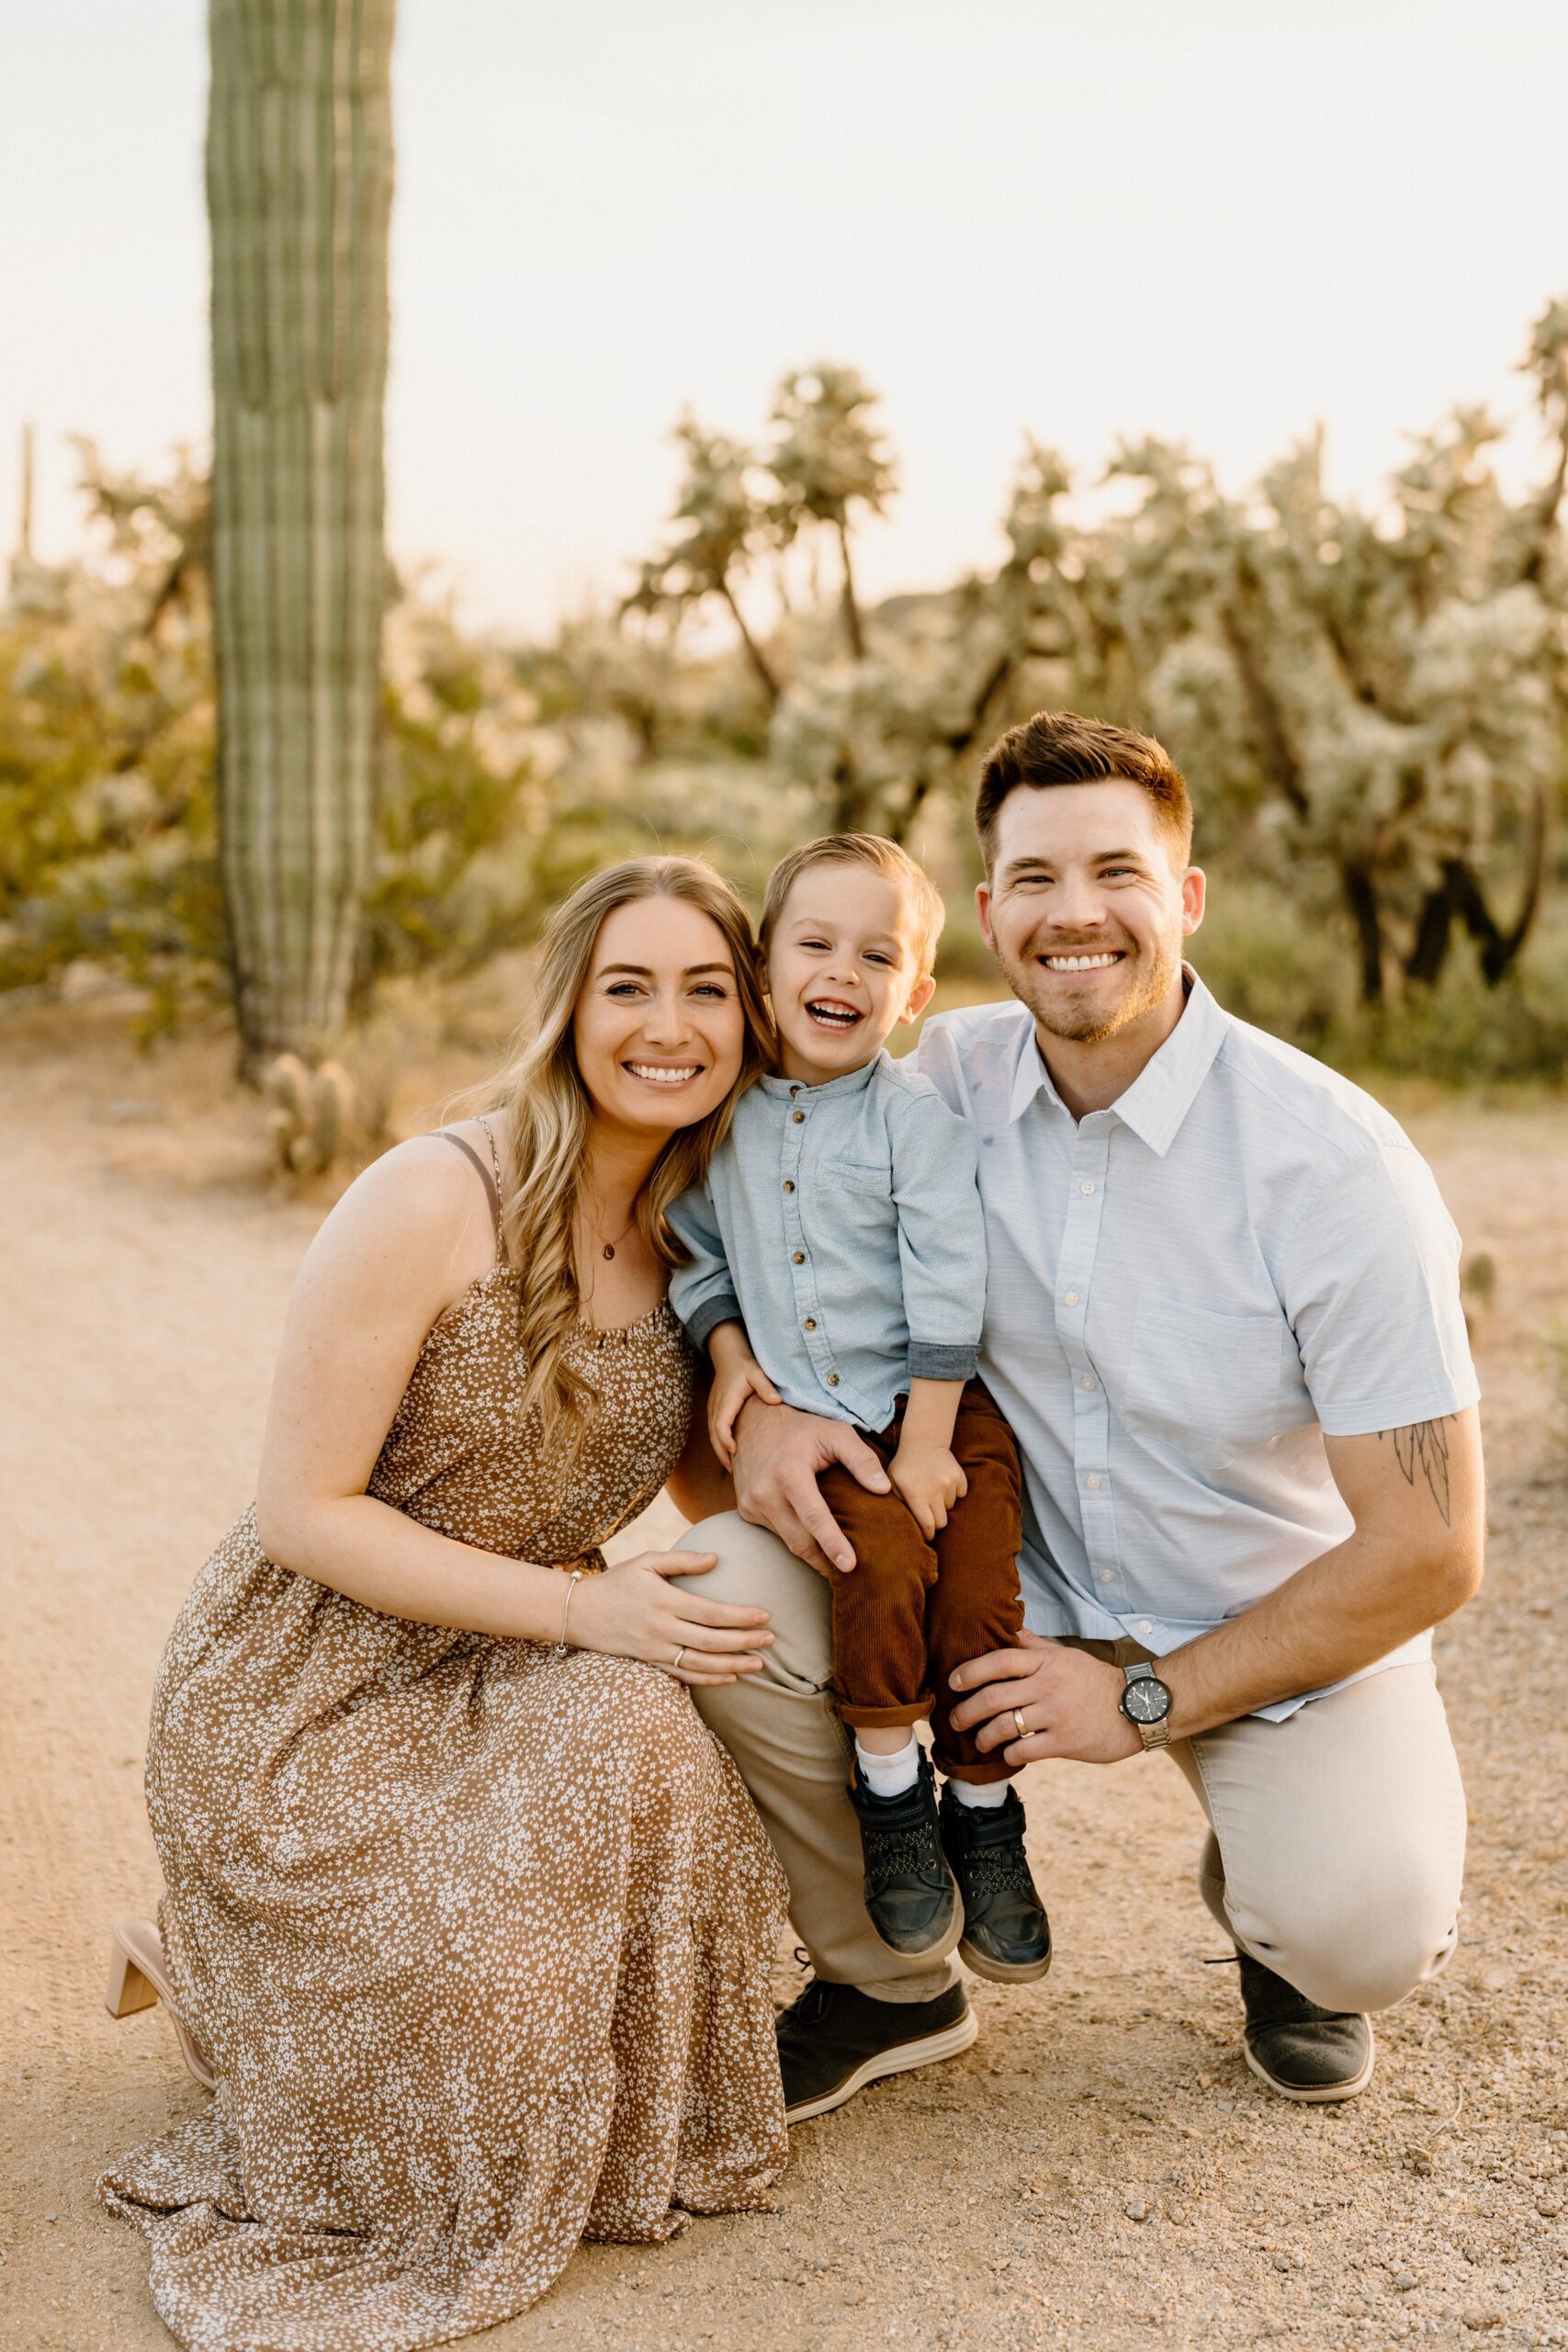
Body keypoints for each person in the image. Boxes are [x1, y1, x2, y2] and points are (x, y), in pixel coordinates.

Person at [676, 712, 1484, 2125]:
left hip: (1256, 1609)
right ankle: (891, 1977)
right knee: (706, 1599)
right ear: (985, 914)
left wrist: (1139, 1701)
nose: (1073, 915)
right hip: (999, 1572)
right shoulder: (926, 1090)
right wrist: (754, 1420)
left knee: (1360, 1927)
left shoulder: (1329, 1162)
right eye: (1032, 878)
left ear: (1181, 897)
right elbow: (751, 1225)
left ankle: (1276, 1922)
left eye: (1113, 870)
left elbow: (1428, 1550)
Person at [98, 857, 792, 2352]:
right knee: (487, 1981)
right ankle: (226, 1964)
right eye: (627, 986)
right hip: (305, 1695)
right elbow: (304, 1513)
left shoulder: (706, 1240)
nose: (665, 1025)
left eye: (704, 990)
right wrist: (577, 1611)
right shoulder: (433, 1193)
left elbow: (724, 1500)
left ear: (746, 1022)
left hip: (514, 1667)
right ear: (567, 1009)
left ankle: (225, 1973)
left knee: (645, 1732)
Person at [668, 833, 1050, 1984]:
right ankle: (894, 1800)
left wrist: (931, 1442)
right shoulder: (720, 1124)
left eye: (876, 954)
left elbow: (948, 1279)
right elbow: (697, 1259)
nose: (843, 970)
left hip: (935, 1409)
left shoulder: (911, 1118)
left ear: (914, 993)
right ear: (765, 967)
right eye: (816, 943)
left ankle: (984, 1810)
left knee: (980, 1590)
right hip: (826, 1423)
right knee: (876, 1577)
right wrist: (731, 1356)